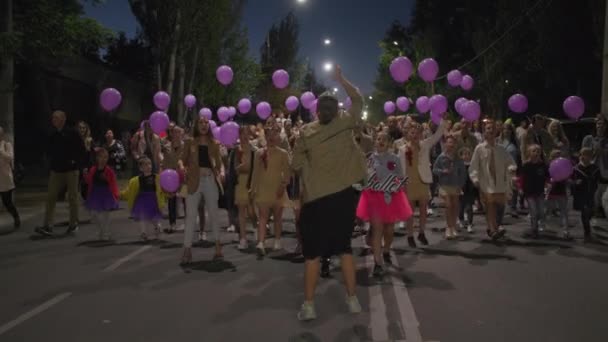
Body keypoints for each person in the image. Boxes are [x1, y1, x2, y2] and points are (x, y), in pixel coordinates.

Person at [292, 65, 365, 321]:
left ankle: (309, 306)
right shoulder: (345, 122)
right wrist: (341, 78)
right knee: (344, 249)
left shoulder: (306, 132)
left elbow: (295, 165)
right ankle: (353, 300)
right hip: (344, 198)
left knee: (312, 256)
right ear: (337, 110)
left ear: (316, 111)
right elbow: (358, 98)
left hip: (316, 201)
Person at [356, 132, 411, 277]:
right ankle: (377, 262)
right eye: (379, 139)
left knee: (389, 230)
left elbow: (400, 177)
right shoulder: (370, 159)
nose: (381, 142)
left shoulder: (394, 159)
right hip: (374, 197)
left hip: (391, 197)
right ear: (375, 141)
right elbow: (364, 177)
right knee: (377, 229)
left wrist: (397, 187)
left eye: (384, 140)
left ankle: (386, 249)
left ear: (389, 143)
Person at [397, 117, 448, 248]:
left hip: (423, 180)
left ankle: (421, 232)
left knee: (424, 210)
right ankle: (410, 235)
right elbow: (400, 167)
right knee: (410, 211)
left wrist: (443, 121)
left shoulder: (425, 144)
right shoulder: (403, 149)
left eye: (417, 133)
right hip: (409, 182)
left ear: (420, 134)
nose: (415, 135)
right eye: (412, 133)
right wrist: (401, 184)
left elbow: (437, 135)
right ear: (407, 134)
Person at [179, 117, 224, 264]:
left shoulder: (215, 143)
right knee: (191, 216)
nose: (204, 125)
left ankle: (218, 247)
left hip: (210, 180)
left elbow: (219, 164)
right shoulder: (190, 141)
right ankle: (187, 249)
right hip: (194, 181)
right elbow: (182, 159)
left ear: (209, 126)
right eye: (201, 123)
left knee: (214, 214)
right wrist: (181, 167)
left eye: (206, 123)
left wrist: (222, 172)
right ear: (197, 126)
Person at [36, 110, 86, 236]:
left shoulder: (73, 132)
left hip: (71, 170)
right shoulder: (53, 134)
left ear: (63, 119)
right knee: (51, 196)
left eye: (56, 118)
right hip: (56, 170)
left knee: (72, 197)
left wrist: (77, 163)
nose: (53, 120)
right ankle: (48, 225)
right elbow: (49, 150)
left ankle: (73, 224)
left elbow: (82, 149)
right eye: (53, 118)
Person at [469, 120, 516, 240]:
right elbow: (474, 166)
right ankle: (494, 229)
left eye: (492, 129)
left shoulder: (501, 149)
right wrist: (474, 178)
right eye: (488, 129)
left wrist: (511, 168)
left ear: (496, 132)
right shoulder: (479, 149)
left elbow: (510, 162)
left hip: (499, 183)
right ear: (484, 132)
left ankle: (493, 227)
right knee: (490, 206)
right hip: (486, 182)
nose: (490, 131)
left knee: (500, 206)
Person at [250, 126, 291, 255]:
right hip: (263, 189)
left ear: (278, 137)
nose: (271, 138)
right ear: (265, 137)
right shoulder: (259, 153)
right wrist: (252, 188)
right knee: (263, 216)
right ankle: (261, 242)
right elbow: (255, 172)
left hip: (278, 189)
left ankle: (277, 240)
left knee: (278, 217)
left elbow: (288, 174)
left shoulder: (283, 153)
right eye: (269, 135)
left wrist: (283, 185)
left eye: (274, 135)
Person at [121, 157, 165, 241]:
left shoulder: (156, 178)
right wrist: (120, 194)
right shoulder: (136, 180)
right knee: (143, 217)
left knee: (153, 218)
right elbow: (130, 190)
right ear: (141, 168)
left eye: (150, 164)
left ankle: (157, 226)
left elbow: (162, 189)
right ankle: (143, 233)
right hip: (142, 201)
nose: (149, 166)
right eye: (146, 165)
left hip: (153, 200)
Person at [433, 135, 467, 239]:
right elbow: (434, 169)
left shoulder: (458, 159)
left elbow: (463, 173)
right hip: (444, 185)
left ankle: (453, 226)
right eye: (449, 142)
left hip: (455, 185)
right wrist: (442, 171)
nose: (451, 145)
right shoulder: (441, 157)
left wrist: (461, 185)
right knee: (448, 205)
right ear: (445, 144)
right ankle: (448, 227)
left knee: (455, 205)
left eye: (453, 143)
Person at [84, 148, 119, 241]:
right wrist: (85, 176)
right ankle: (101, 230)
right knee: (93, 214)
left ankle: (105, 233)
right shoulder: (93, 169)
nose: (103, 159)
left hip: (106, 194)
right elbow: (89, 181)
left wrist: (115, 195)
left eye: (105, 157)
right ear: (97, 158)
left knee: (105, 215)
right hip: (95, 194)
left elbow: (113, 183)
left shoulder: (109, 171)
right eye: (101, 157)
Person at [520, 144, 549, 238]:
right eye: (533, 151)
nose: (536, 153)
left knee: (541, 211)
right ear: (529, 153)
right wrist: (520, 188)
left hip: (540, 191)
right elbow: (522, 178)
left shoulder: (543, 165)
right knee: (533, 211)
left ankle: (538, 224)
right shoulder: (526, 165)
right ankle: (534, 229)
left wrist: (548, 183)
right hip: (529, 192)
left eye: (538, 151)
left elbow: (547, 176)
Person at [571, 148, 601, 242]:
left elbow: (600, 179)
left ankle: (587, 228)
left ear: (591, 156)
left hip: (591, 193)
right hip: (581, 194)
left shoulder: (595, 168)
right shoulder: (576, 168)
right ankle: (587, 234)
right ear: (580, 155)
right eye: (583, 154)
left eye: (588, 154)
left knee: (591, 212)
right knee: (585, 212)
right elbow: (570, 181)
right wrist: (575, 182)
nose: (585, 156)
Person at [581, 116, 608, 217]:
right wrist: (593, 152)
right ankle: (593, 209)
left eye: (603, 124)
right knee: (592, 189)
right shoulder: (588, 139)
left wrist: (604, 151)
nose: (600, 126)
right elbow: (583, 153)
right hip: (591, 167)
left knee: (603, 189)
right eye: (598, 124)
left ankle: (601, 208)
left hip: (605, 168)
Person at [546, 150, 570, 239]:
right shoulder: (548, 167)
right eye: (555, 156)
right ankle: (541, 226)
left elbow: (568, 178)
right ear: (551, 158)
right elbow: (545, 179)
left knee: (564, 212)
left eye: (559, 156)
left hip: (561, 192)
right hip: (551, 192)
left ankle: (566, 230)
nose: (558, 158)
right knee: (546, 210)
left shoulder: (564, 167)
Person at [0, 126, 20, 228]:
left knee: (7, 202)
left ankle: (16, 217)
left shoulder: (7, 145)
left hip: (5, 178)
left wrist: (1, 151)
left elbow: (10, 157)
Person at [458, 147, 475, 233]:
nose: (466, 156)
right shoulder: (459, 165)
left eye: (468, 154)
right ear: (461, 156)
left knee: (469, 207)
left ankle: (469, 224)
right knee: (461, 207)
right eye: (464, 154)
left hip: (470, 189)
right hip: (461, 189)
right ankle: (461, 219)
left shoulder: (472, 165)